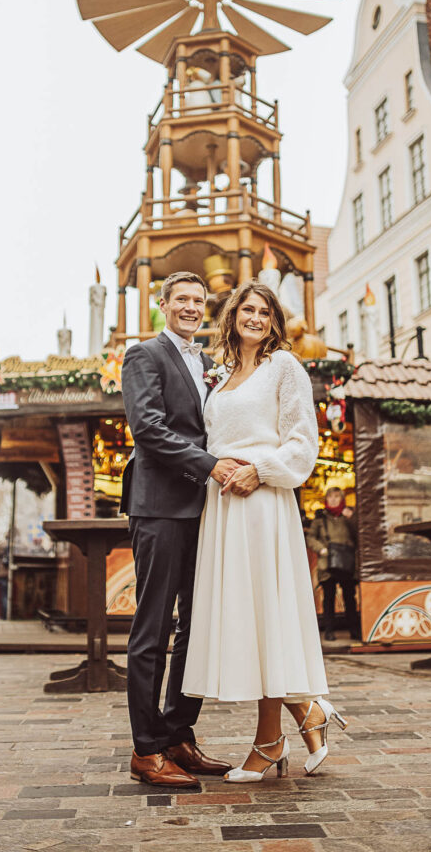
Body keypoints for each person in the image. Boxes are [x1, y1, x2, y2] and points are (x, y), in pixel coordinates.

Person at [182, 281, 346, 781]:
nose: (254, 317)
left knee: (266, 616)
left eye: (264, 311)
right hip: (224, 505)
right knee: (246, 619)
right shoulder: (223, 374)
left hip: (262, 501)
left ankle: (269, 739)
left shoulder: (285, 367)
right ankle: (305, 714)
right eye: (246, 309)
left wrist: (261, 471)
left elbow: (303, 440)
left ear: (274, 321)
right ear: (232, 316)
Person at [121, 270, 245, 789]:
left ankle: (178, 735)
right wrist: (211, 465)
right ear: (164, 304)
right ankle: (146, 750)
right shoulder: (145, 354)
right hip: (161, 505)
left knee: (196, 627)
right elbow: (148, 428)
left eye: (199, 300)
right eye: (183, 300)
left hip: (205, 510)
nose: (192, 307)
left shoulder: (210, 363)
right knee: (152, 628)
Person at [306, 486, 359, 642]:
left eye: (337, 496)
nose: (334, 499)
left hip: (347, 561)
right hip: (327, 562)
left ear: (342, 499)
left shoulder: (348, 517)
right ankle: (329, 630)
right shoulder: (320, 519)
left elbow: (359, 534)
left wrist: (352, 518)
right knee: (328, 597)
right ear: (326, 499)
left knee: (350, 597)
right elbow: (310, 538)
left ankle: (354, 630)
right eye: (331, 496)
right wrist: (321, 549)